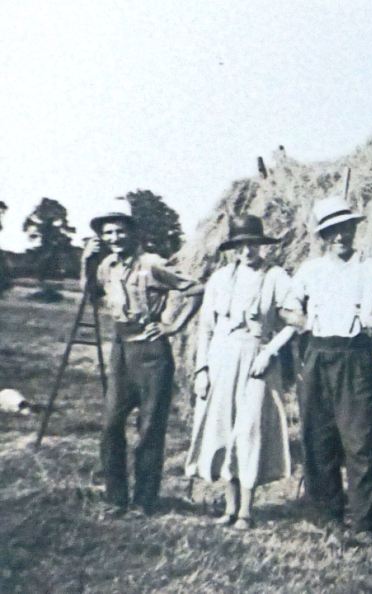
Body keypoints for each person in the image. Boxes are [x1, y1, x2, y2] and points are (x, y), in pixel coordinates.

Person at [281, 195, 372, 543]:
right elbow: (287, 308)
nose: (340, 236)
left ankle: (364, 525)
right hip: (318, 354)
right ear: (323, 236)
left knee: (359, 442)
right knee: (318, 438)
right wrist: (302, 320)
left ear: (354, 229)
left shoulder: (370, 268)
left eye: (345, 228)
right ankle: (328, 518)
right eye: (332, 231)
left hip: (355, 357)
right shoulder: (310, 270)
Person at [81, 199, 202, 515]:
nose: (114, 238)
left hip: (152, 353)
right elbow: (92, 295)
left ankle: (144, 501)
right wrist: (86, 263)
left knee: (149, 429)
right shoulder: (107, 265)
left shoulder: (152, 263)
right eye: (108, 233)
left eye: (120, 231)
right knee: (110, 425)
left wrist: (172, 325)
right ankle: (115, 498)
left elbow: (195, 289)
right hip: (121, 349)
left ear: (133, 233)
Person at [185, 215, 295, 530]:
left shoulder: (275, 277)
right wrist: (201, 369)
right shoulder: (220, 279)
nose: (247, 251)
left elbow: (295, 321)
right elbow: (205, 328)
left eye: (253, 244)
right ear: (233, 247)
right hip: (220, 358)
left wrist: (270, 352)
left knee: (249, 429)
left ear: (262, 246)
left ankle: (246, 511)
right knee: (221, 428)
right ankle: (229, 507)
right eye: (241, 245)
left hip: (256, 360)